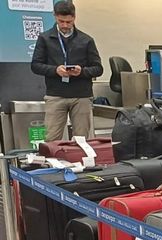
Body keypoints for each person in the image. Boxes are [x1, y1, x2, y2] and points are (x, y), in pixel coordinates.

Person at [31, 1, 102, 141]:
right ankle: (52, 163)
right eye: (61, 21)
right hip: (55, 95)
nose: (64, 25)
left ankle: (82, 162)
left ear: (74, 17)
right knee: (51, 139)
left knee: (82, 140)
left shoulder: (86, 40)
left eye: (68, 22)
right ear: (54, 16)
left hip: (81, 96)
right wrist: (55, 70)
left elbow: (98, 69)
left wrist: (81, 71)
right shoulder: (45, 38)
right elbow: (35, 65)